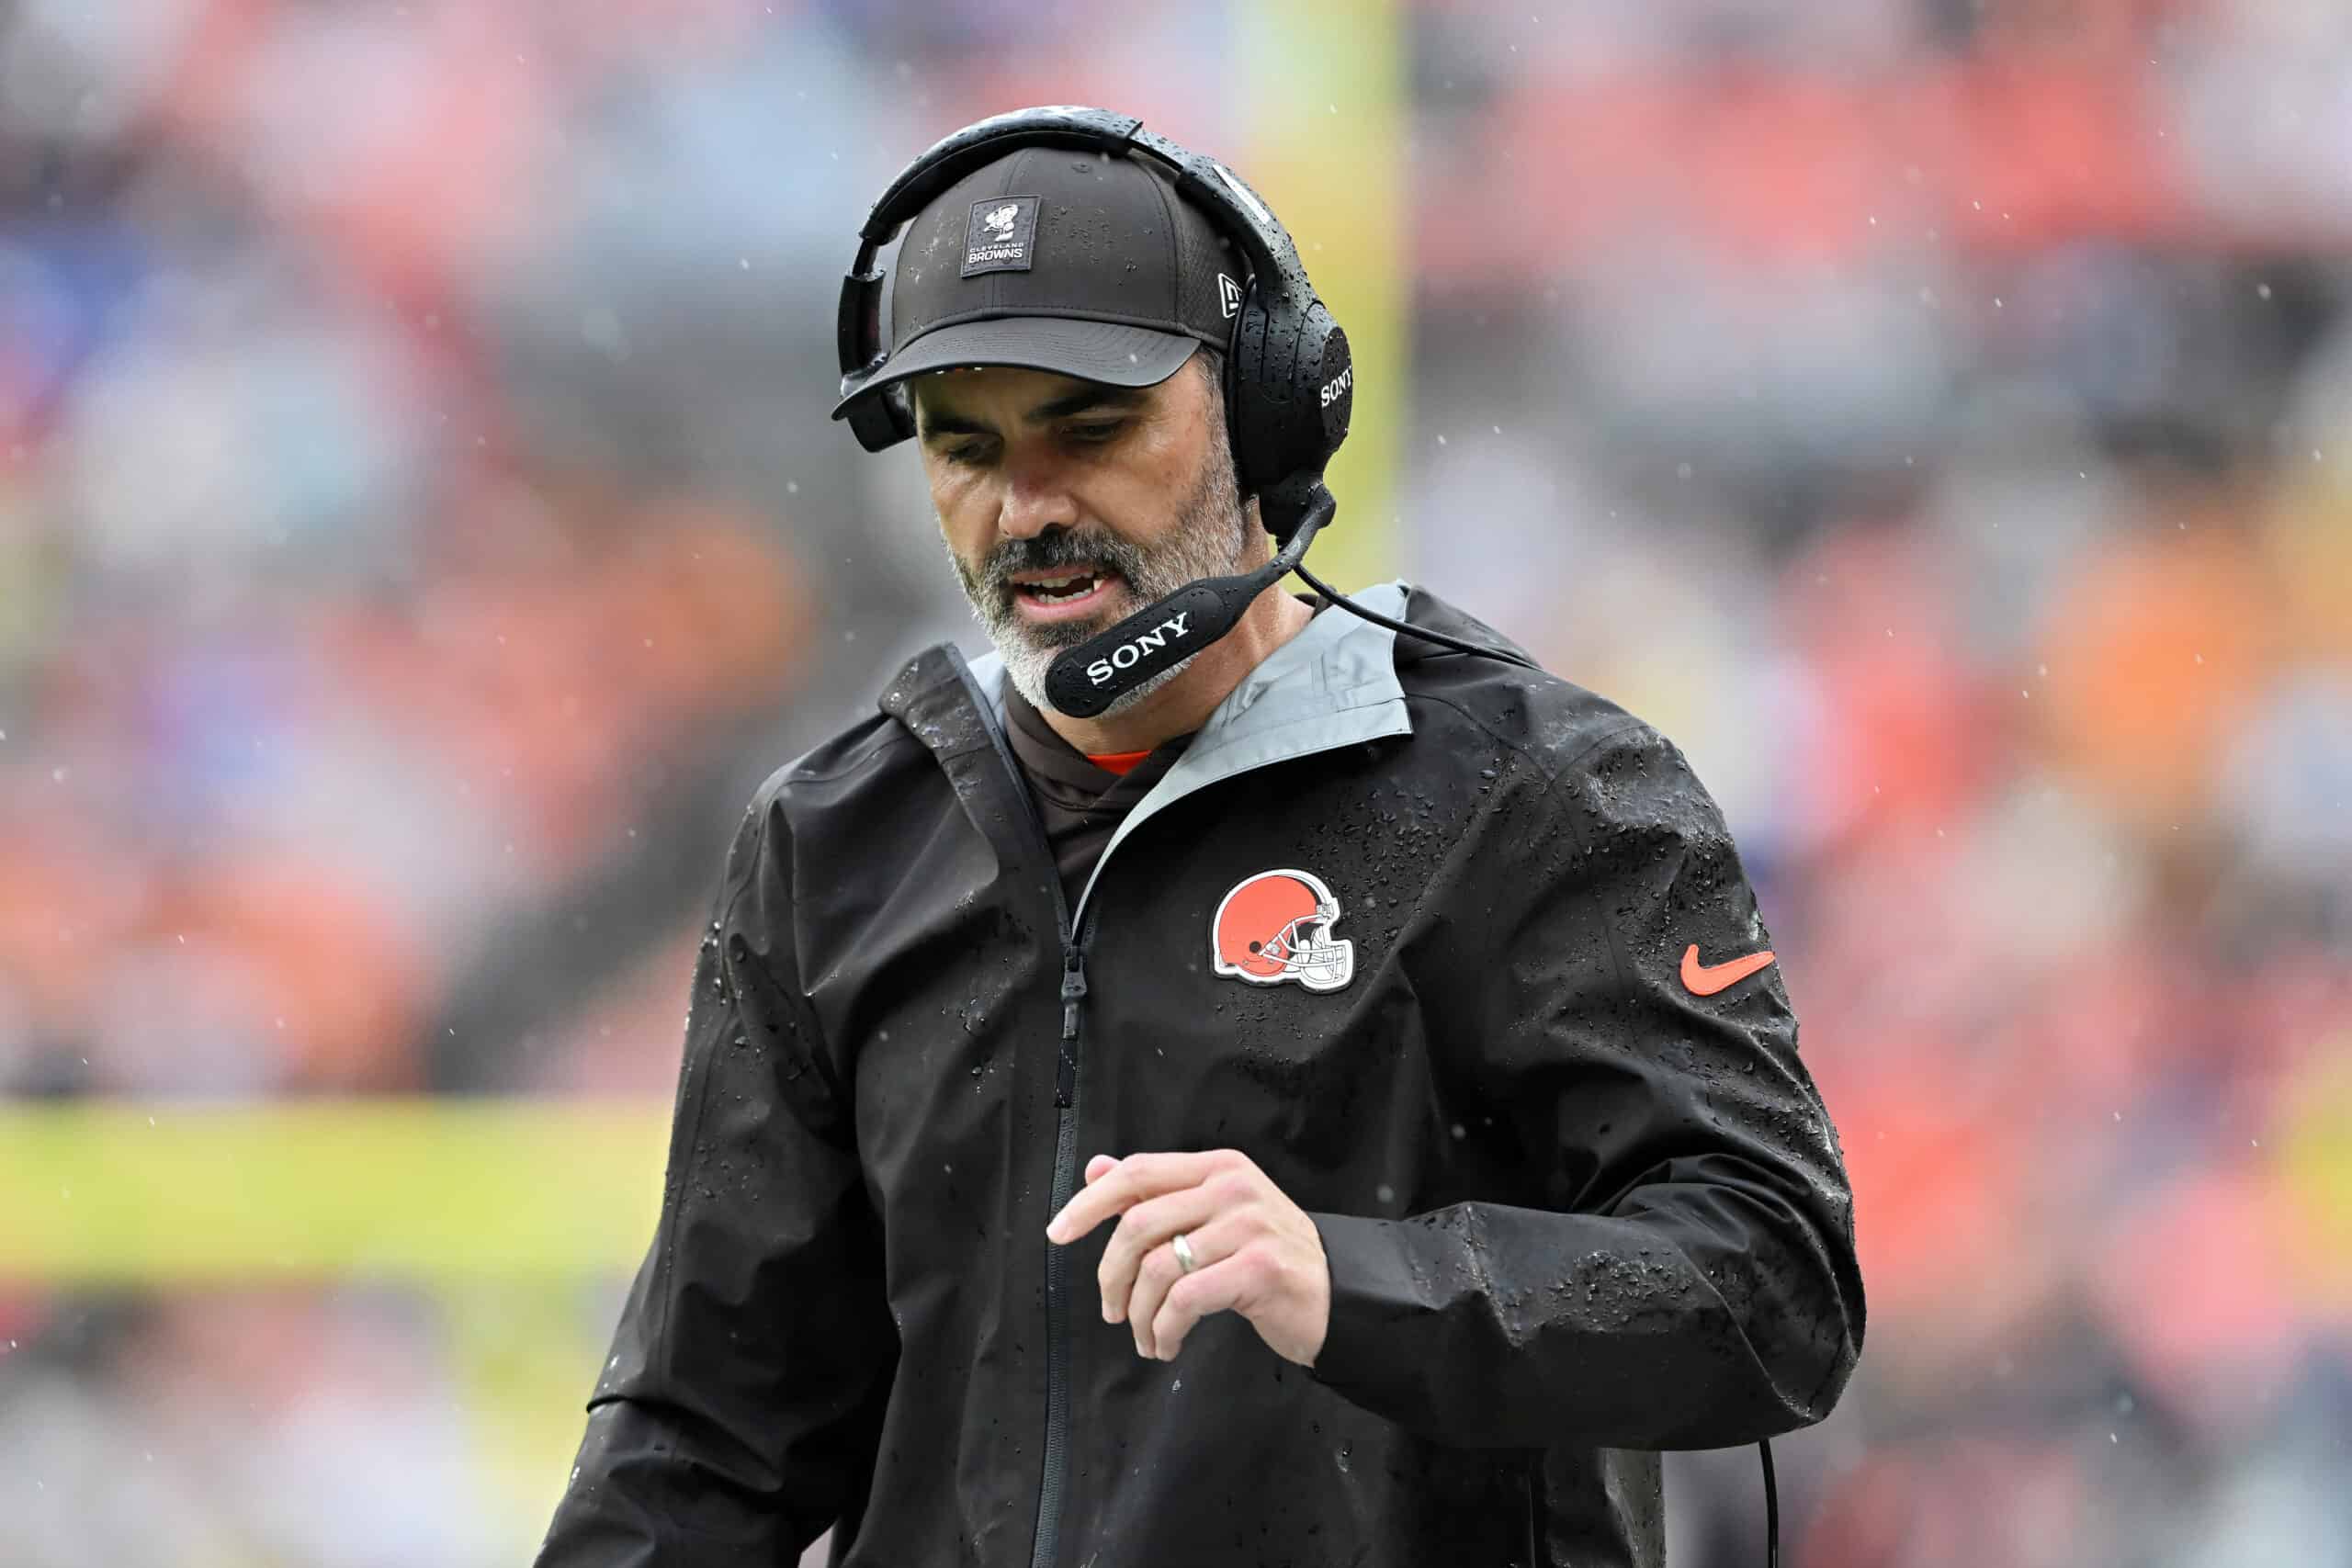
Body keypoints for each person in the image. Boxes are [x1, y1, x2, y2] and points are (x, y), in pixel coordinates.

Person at [535, 109, 1865, 1568]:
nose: (1025, 508)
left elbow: (1776, 1285)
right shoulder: (834, 842)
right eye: (965, 448)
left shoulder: (1535, 793)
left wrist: (1351, 1282)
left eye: (1091, 429)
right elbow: (706, 1441)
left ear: (1265, 411)